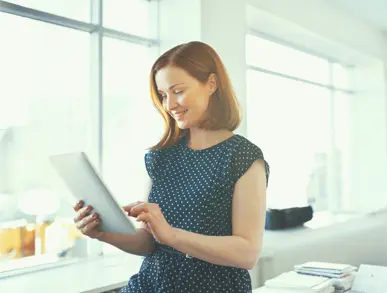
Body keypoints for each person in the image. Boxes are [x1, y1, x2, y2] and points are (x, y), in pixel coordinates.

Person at [73, 41, 270, 293]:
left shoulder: (242, 157)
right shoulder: (161, 157)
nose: (169, 105)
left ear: (212, 83)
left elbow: (247, 253)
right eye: (164, 95)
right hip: (150, 285)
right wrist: (102, 233)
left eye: (178, 91)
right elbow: (148, 242)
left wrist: (172, 235)